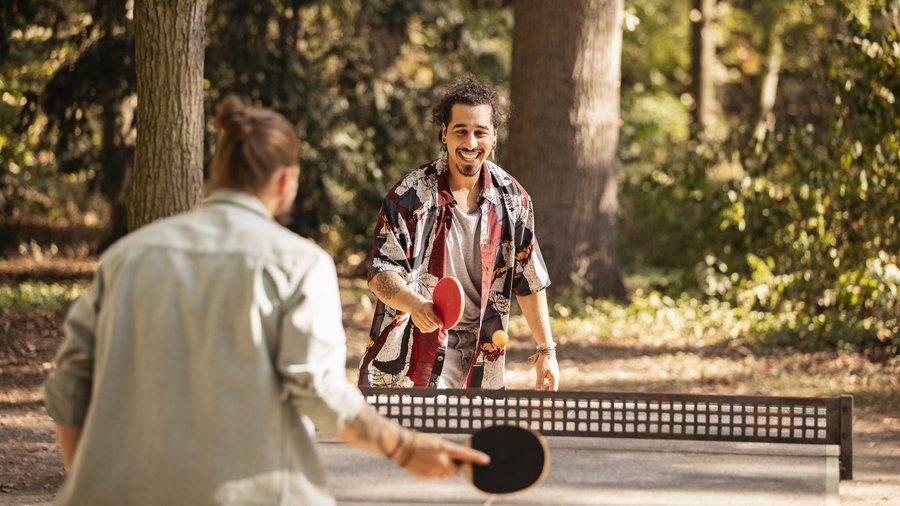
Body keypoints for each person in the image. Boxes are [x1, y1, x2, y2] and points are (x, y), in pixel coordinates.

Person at [43, 96, 488, 506]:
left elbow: (68, 386)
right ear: (285, 180)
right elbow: (320, 395)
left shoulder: (124, 257)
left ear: (216, 175)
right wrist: (405, 447)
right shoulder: (299, 264)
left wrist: (94, 481)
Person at [358, 75, 560, 391]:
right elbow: (380, 274)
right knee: (414, 440)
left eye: (480, 133)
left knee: (473, 440)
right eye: (460, 131)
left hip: (483, 355)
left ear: (494, 137)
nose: (470, 143)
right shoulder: (409, 195)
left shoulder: (513, 199)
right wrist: (415, 304)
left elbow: (529, 278)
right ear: (444, 134)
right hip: (415, 352)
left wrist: (546, 350)